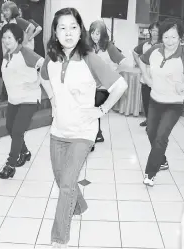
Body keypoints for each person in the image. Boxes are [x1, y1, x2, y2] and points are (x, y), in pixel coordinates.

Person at [40, 8, 128, 247]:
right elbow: (43, 76)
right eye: (62, 28)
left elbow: (120, 85)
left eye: (73, 27)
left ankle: (59, 238)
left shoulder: (89, 57)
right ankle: (80, 206)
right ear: (55, 32)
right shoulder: (51, 57)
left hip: (83, 132)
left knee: (67, 184)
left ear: (80, 31)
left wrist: (101, 110)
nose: (68, 33)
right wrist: (52, 100)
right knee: (61, 179)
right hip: (58, 130)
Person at [140, 19, 184, 187]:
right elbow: (142, 60)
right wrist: (146, 77)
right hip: (155, 100)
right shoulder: (155, 50)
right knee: (151, 133)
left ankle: (150, 173)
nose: (170, 42)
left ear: (180, 38)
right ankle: (161, 160)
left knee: (161, 136)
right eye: (166, 37)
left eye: (174, 38)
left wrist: (183, 85)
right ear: (161, 37)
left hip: (174, 104)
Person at [0, 23, 44, 179]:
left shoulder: (25, 52)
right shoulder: (7, 56)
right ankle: (25, 152)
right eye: (4, 37)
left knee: (17, 130)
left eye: (9, 37)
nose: (6, 40)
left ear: (17, 38)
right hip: (14, 99)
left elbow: (45, 65)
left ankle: (10, 165)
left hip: (29, 98)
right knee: (10, 127)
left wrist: (37, 82)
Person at [88, 20, 126, 147]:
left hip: (105, 87)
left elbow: (124, 62)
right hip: (92, 85)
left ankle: (95, 134)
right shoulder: (90, 46)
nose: (94, 36)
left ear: (103, 34)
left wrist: (112, 73)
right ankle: (97, 133)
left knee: (93, 104)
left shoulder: (109, 46)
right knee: (90, 105)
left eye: (98, 33)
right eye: (93, 33)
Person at [0, 1, 35, 102]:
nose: (5, 12)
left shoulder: (18, 20)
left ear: (12, 10)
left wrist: (24, 43)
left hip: (16, 52)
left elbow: (32, 28)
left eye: (7, 10)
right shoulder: (6, 22)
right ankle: (7, 94)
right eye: (3, 10)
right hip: (7, 52)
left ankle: (6, 94)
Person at [132, 21, 160, 127]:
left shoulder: (162, 45)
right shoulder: (145, 44)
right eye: (153, 30)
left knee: (155, 102)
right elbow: (134, 52)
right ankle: (148, 120)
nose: (155, 33)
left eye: (157, 31)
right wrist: (140, 64)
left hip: (157, 79)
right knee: (146, 101)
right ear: (150, 31)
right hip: (145, 77)